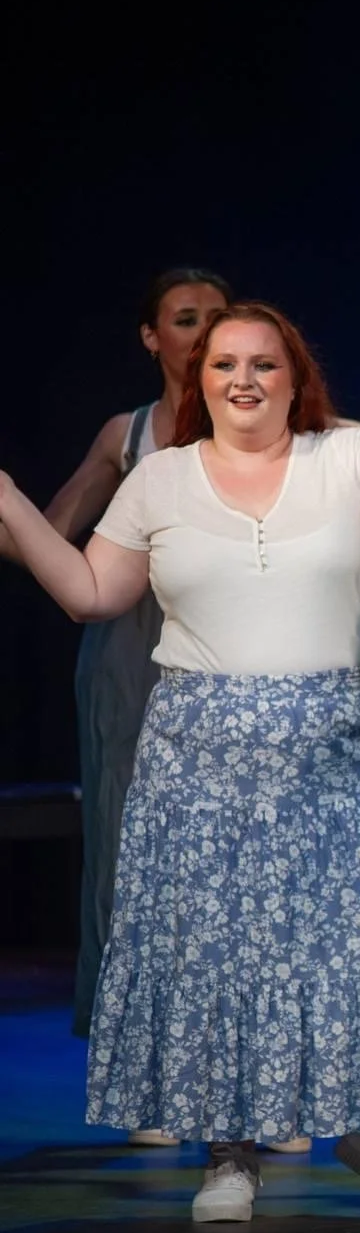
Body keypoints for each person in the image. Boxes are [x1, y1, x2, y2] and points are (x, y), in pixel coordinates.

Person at [0, 266, 360, 1223]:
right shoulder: (160, 476)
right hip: (201, 751)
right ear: (200, 378)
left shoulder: (346, 455)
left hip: (336, 742)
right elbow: (89, 594)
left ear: (291, 374)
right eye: (224, 362)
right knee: (217, 957)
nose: (242, 378)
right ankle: (230, 1156)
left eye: (263, 363)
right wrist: (10, 498)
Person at [2, 270, 230, 1074]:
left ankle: (238, 1058)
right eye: (184, 318)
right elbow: (47, 536)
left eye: (216, 317)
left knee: (231, 856)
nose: (202, 331)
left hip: (228, 648)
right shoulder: (125, 433)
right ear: (151, 337)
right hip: (132, 655)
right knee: (129, 851)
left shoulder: (255, 424)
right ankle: (142, 1064)